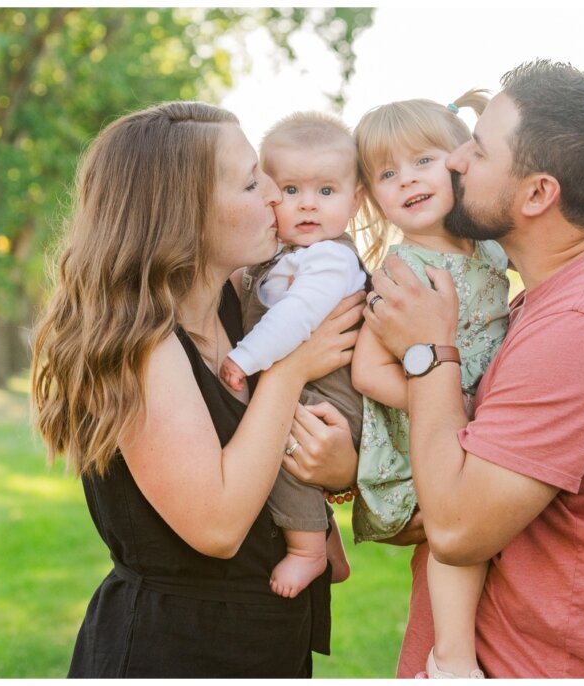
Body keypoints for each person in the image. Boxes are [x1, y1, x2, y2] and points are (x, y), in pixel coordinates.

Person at [363, 60, 584, 677]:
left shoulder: (583, 328)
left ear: (537, 194)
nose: (454, 161)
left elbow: (455, 529)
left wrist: (429, 353)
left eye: (476, 149)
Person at [30, 101, 365, 678]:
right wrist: (289, 370)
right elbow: (216, 526)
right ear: (183, 213)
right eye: (249, 181)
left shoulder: (245, 308)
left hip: (266, 642)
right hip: (177, 650)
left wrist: (338, 474)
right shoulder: (144, 347)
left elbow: (276, 457)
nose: (273, 195)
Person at [348, 93, 510, 679]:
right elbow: (368, 372)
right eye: (388, 173)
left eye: (423, 161)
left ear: (461, 160)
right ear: (372, 197)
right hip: (423, 440)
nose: (408, 180)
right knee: (459, 540)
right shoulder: (402, 271)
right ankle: (452, 659)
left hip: (477, 424)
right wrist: (449, 401)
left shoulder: (489, 245)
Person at [217, 111, 367, 599]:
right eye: (292, 190)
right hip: (310, 384)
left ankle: (309, 551)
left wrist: (245, 357)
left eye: (326, 191)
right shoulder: (284, 254)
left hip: (331, 397)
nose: (308, 205)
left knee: (281, 448)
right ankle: (325, 539)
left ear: (355, 200)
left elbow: (297, 317)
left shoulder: (330, 258)